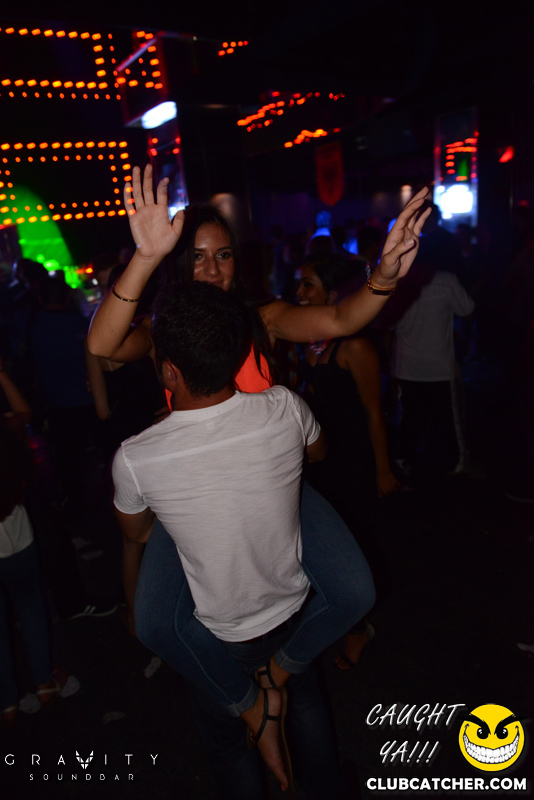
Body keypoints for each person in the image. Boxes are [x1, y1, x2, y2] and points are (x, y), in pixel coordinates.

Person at [112, 281, 367, 792]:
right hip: (292, 617)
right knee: (308, 706)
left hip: (216, 638)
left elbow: (137, 532)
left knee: (229, 748)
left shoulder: (137, 458)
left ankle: (252, 705)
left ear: (169, 371)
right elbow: (317, 454)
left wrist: (193, 503)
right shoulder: (284, 406)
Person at [295, 253, 400, 668]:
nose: (299, 292)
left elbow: (375, 414)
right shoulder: (310, 341)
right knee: (322, 546)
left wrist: (383, 470)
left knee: (348, 547)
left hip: (354, 462)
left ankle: (358, 629)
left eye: (308, 285)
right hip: (320, 460)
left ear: (334, 295)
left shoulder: (355, 346)